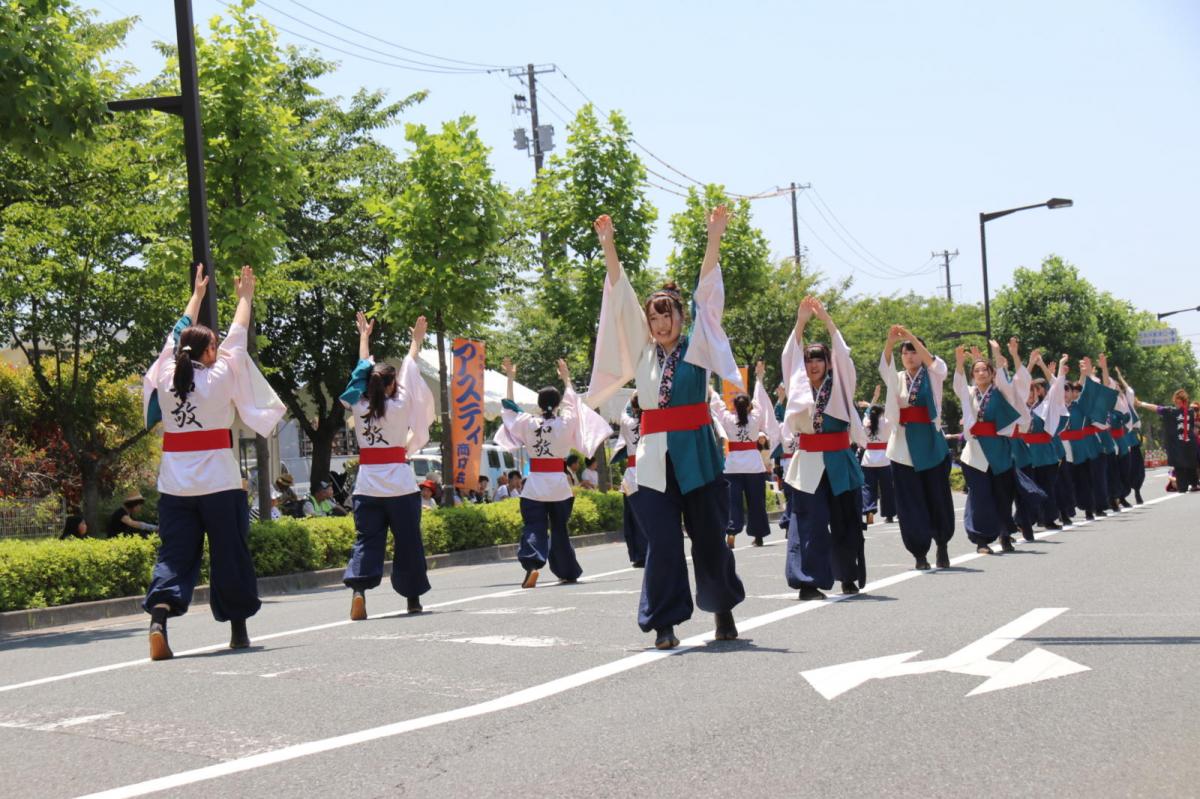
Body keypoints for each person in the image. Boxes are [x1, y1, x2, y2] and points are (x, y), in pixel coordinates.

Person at [587, 208, 746, 649]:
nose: (661, 325)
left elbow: (706, 296)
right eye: (654, 318)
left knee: (710, 540)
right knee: (663, 543)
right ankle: (664, 623)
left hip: (698, 452)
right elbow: (620, 298)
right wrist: (609, 247)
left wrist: (714, 238)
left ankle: (722, 609)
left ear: (679, 316)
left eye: (667, 316)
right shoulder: (643, 352)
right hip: (654, 456)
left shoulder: (698, 345)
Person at [140, 264, 285, 660]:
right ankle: (238, 631)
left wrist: (198, 296)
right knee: (230, 552)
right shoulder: (219, 373)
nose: (219, 348)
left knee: (174, 554)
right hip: (219, 483)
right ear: (208, 351)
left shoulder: (167, 372)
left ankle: (159, 617)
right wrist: (245, 296)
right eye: (214, 344)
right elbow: (239, 333)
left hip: (174, 485)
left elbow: (177, 332)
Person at [338, 311, 435, 620]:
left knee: (367, 540)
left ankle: (359, 591)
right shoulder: (401, 403)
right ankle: (412, 599)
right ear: (392, 386)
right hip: (400, 485)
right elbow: (410, 368)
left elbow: (361, 370)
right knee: (408, 542)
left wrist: (364, 337)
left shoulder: (358, 404)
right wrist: (415, 342)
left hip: (367, 484)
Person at [498, 357, 610, 589]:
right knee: (560, 530)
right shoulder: (565, 422)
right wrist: (566, 378)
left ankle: (532, 565)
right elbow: (574, 404)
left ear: (539, 405)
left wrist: (510, 377)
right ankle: (567, 570)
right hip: (559, 485)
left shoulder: (528, 422)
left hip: (535, 485)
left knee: (534, 527)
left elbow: (509, 408)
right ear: (557, 404)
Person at [782, 296, 868, 599]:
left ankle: (847, 575)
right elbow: (789, 358)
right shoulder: (798, 386)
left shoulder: (841, 383)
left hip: (838, 458)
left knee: (845, 520)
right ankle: (808, 581)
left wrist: (827, 320)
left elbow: (843, 355)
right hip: (807, 460)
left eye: (818, 358)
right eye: (808, 359)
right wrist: (801, 321)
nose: (812, 364)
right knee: (808, 521)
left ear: (828, 362)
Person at [879, 325, 955, 569]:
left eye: (913, 351)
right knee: (909, 502)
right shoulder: (897, 378)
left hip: (931, 442)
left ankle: (941, 544)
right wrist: (891, 342)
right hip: (903, 444)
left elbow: (935, 365)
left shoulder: (933, 373)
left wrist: (911, 336)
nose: (909, 356)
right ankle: (919, 552)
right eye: (905, 352)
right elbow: (885, 366)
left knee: (937, 498)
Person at [953, 340, 1025, 554]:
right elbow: (958, 384)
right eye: (977, 370)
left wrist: (996, 352)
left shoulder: (1001, 392)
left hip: (999, 451)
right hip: (974, 452)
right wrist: (959, 363)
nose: (981, 373)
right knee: (980, 495)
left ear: (992, 374)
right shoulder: (969, 393)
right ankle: (981, 540)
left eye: (985, 369)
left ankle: (1005, 533)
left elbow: (1005, 380)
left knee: (1002, 495)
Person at [711, 359, 777, 548]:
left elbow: (717, 405)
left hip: (732, 465)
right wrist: (759, 378)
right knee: (756, 502)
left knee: (733, 502)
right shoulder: (755, 418)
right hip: (753, 465)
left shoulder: (728, 419)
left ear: (735, 406)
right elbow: (759, 401)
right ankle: (758, 535)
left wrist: (710, 388)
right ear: (748, 407)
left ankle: (731, 531)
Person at [1014, 352, 1071, 538]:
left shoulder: (1046, 407)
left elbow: (1057, 387)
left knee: (1047, 488)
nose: (1029, 395)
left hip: (1045, 454)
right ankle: (1024, 521)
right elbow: (1015, 386)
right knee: (1026, 490)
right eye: (1027, 391)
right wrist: (1029, 364)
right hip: (1023, 454)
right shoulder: (1018, 408)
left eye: (1033, 391)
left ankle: (1048, 518)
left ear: (1038, 392)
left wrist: (1051, 367)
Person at [1061, 355, 1119, 520]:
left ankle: (1096, 507)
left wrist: (1089, 372)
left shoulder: (1080, 406)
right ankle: (1070, 510)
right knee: (1074, 482)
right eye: (1062, 390)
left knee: (1093, 479)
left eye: (1068, 390)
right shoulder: (1055, 408)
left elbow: (1094, 391)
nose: (1065, 393)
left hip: (1088, 447)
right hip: (1066, 450)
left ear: (1073, 393)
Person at [1135, 389, 1199, 492]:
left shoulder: (1171, 411)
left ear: (1176, 401)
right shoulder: (1191, 412)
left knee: (1180, 469)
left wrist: (1141, 403)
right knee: (1191, 465)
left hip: (1178, 448)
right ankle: (1194, 484)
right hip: (1190, 447)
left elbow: (1156, 408)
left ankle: (1183, 486)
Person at [614, 394, 648, 567]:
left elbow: (625, 410)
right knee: (652, 514)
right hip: (651, 471)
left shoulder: (627, 422)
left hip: (631, 474)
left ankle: (638, 554)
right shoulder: (654, 422)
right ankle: (653, 550)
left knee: (633, 517)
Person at [859, 385, 896, 527]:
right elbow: (890, 413)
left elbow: (869, 412)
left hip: (868, 459)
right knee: (887, 488)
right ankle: (889, 514)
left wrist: (872, 401)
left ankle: (869, 509)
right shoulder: (885, 422)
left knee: (868, 487)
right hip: (884, 459)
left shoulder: (866, 422)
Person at [1114, 367, 1146, 504]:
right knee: (1124, 469)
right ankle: (1121, 496)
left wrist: (1120, 376)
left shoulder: (1128, 401)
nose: (1118, 389)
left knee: (1138, 469)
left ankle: (1137, 491)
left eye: (1118, 387)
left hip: (1132, 439)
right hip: (1121, 439)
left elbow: (1130, 391)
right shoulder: (1114, 403)